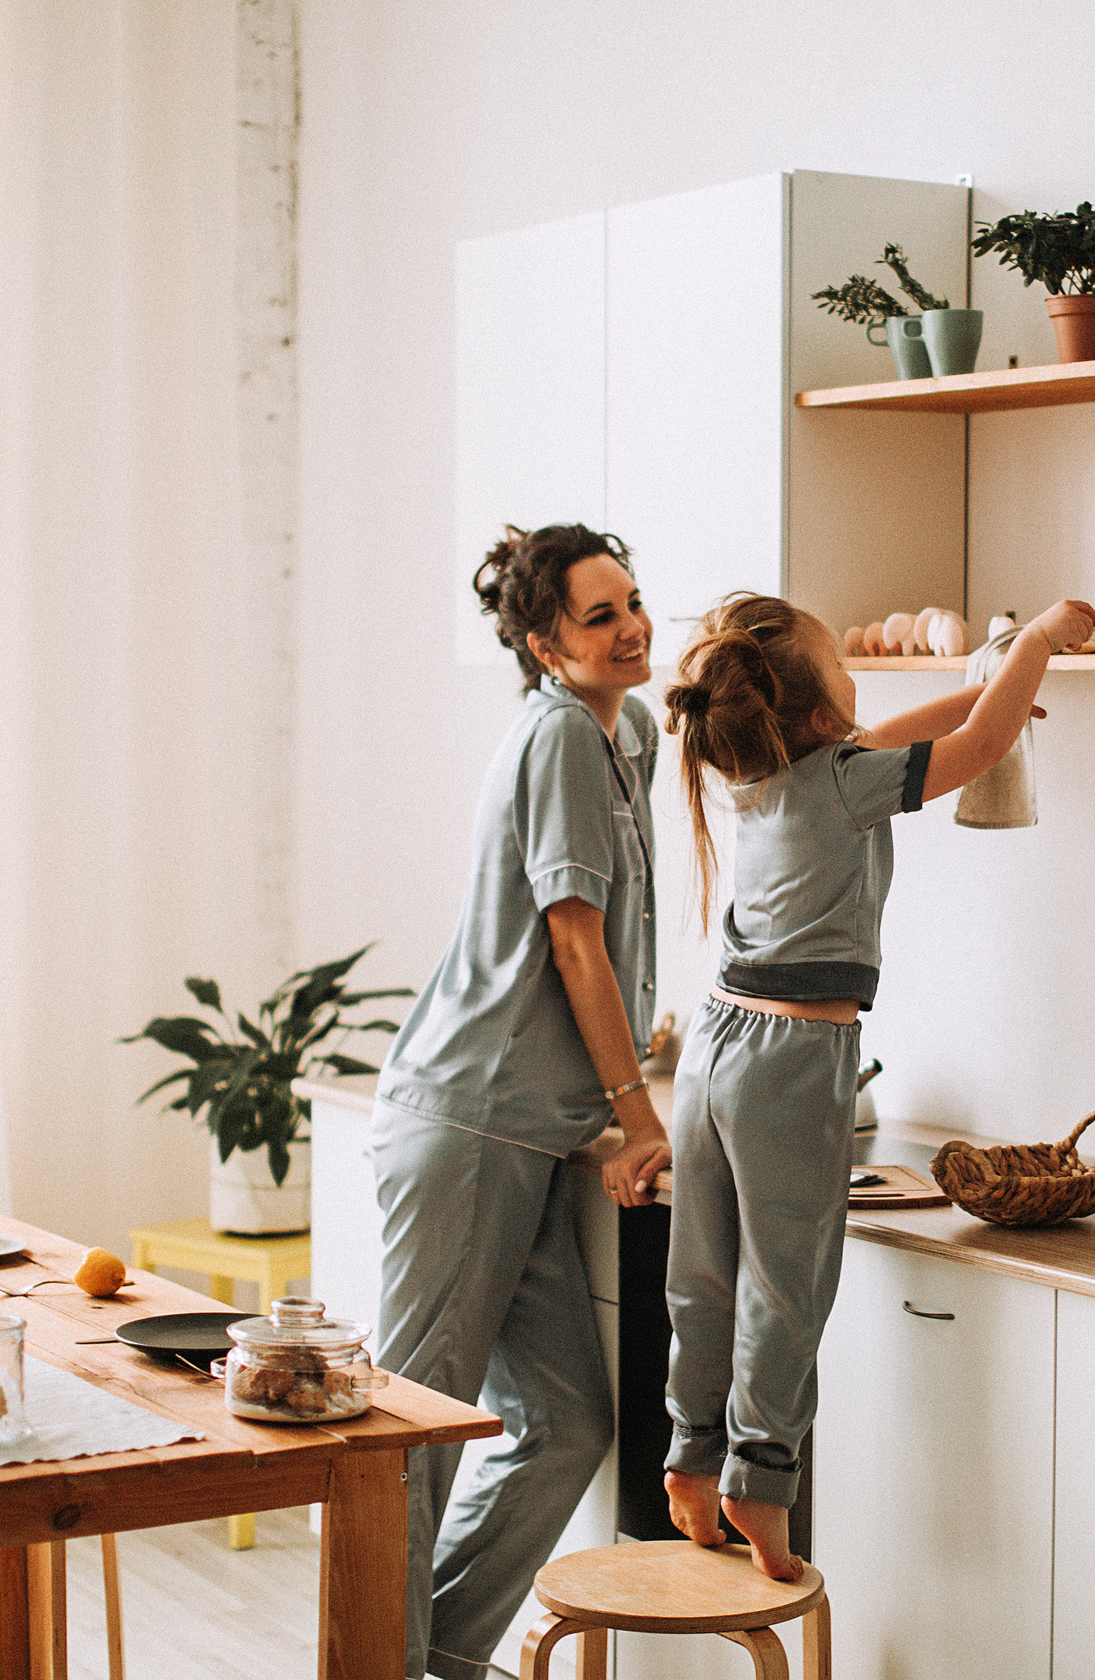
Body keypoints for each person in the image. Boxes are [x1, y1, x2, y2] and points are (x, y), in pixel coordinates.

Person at [657, 591, 1095, 1579]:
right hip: (789, 1060)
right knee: (785, 1286)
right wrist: (1036, 645)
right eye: (839, 671)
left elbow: (921, 727)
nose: (857, 694)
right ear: (817, 718)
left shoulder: (761, 771)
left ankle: (689, 1457)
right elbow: (980, 747)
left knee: (702, 1275)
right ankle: (757, 1480)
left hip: (713, 1044)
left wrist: (986, 687)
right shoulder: (843, 780)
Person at [369, 523, 673, 1680]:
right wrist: (637, 1111)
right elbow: (575, 944)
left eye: (635, 602)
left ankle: (426, 1656)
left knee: (563, 1425)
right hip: (468, 1126)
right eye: (599, 617)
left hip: (528, 1135)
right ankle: (376, 1661)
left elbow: (755, 748)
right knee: (414, 1435)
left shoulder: (618, 730)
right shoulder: (556, 735)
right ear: (545, 644)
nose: (631, 626)